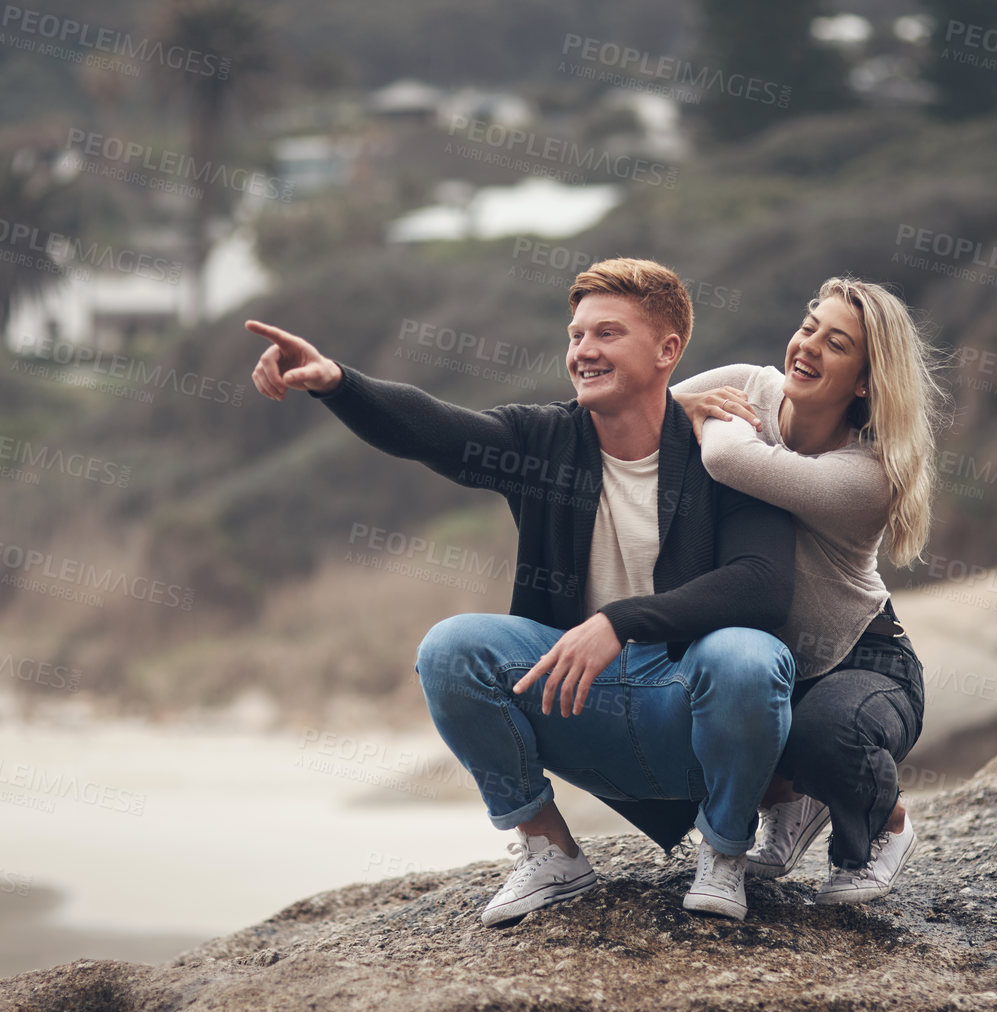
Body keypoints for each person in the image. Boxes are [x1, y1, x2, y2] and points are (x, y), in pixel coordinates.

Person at [246, 259, 800, 925]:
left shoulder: (728, 451)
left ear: (668, 349)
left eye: (608, 334)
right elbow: (435, 430)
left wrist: (620, 622)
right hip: (581, 698)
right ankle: (549, 850)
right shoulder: (544, 443)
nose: (584, 351)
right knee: (451, 648)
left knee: (748, 657)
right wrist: (338, 385)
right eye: (576, 335)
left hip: (687, 703)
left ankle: (725, 852)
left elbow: (762, 585)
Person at [668, 276, 942, 903]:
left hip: (862, 658)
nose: (808, 345)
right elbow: (625, 423)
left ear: (868, 380)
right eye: (809, 325)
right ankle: (789, 801)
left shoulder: (868, 475)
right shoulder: (752, 385)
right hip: (769, 655)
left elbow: (729, 461)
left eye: (836, 343)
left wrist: (692, 416)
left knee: (824, 733)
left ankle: (886, 824)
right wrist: (675, 410)